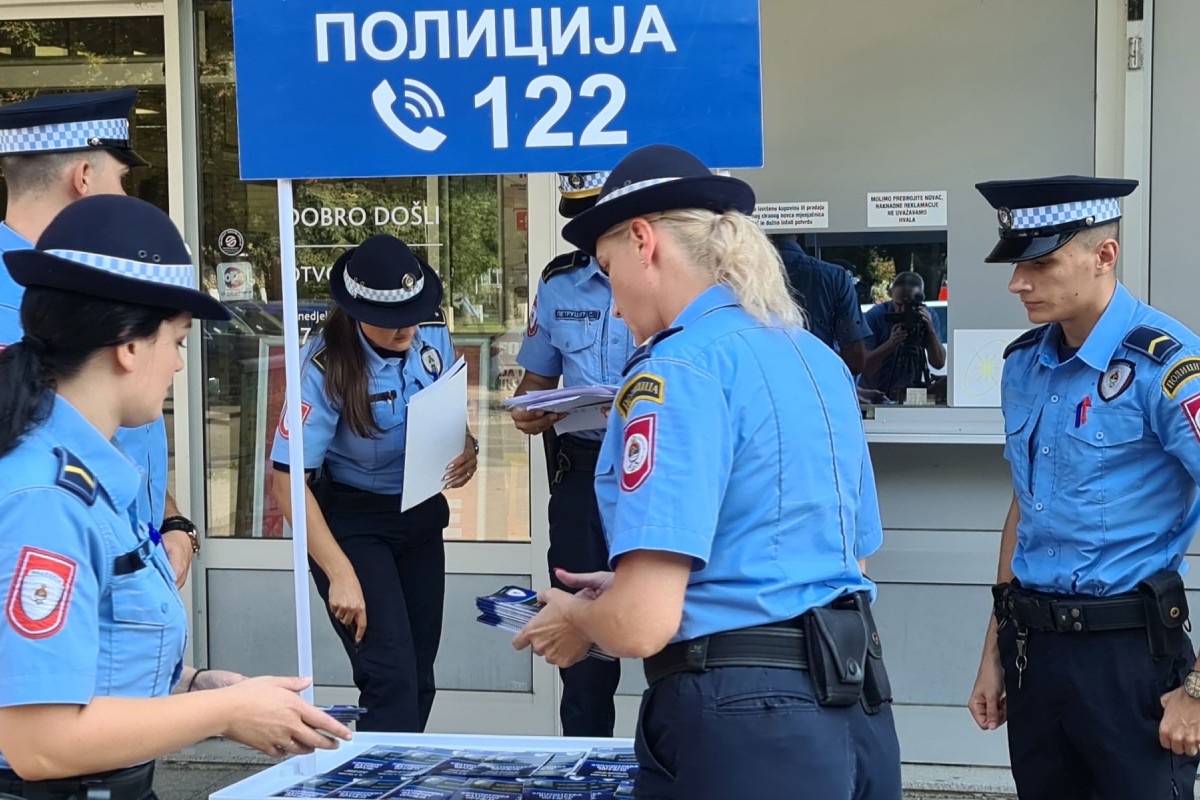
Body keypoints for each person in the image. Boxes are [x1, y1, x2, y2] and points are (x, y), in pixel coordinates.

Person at [512, 145, 901, 800]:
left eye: (608, 273)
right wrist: (633, 582)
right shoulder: (813, 356)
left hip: (741, 720)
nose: (611, 306)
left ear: (643, 240)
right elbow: (842, 563)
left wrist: (580, 620)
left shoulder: (673, 370)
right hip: (854, 699)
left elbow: (641, 625)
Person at [0, 195, 352, 798]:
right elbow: (40, 742)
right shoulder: (45, 497)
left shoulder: (90, 474)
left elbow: (93, 656)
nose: (181, 364)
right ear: (129, 346)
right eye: (179, 340)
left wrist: (195, 687)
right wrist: (222, 714)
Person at [967, 176, 1200, 799]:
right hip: (1035, 654)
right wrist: (994, 651)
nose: (1019, 283)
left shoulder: (1167, 365)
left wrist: (1199, 690)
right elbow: (1026, 509)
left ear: (1105, 256)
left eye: (1041, 263)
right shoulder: (1023, 364)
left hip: (1132, 662)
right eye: (1018, 264)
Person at [269, 234, 477, 733]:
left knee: (420, 677)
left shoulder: (431, 334)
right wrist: (339, 572)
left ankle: (397, 777)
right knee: (390, 679)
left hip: (419, 514)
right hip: (352, 525)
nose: (406, 325)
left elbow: (447, 411)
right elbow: (286, 480)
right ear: (359, 310)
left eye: (414, 310)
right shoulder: (323, 366)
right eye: (391, 318)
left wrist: (467, 446)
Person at [0, 88, 198, 589]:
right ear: (84, 178)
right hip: (58, 579)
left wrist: (171, 521)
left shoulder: (94, 290)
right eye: (122, 180)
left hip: (133, 567)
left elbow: (119, 435)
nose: (127, 197)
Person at [510, 171, 634, 738]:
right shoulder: (560, 284)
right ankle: (583, 764)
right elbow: (533, 384)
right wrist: (527, 410)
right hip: (583, 469)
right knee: (580, 628)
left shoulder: (670, 279)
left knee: (681, 625)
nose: (586, 236)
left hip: (659, 471)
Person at [771, 233, 867, 374]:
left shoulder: (737, 279)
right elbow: (855, 359)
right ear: (799, 230)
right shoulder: (834, 276)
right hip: (816, 381)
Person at [861, 271, 946, 401]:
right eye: (898, 304)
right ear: (892, 297)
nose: (902, 311)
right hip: (877, 393)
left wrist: (930, 331)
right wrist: (891, 343)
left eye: (909, 306)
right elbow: (864, 366)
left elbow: (938, 363)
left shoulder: (928, 316)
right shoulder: (876, 316)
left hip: (909, 394)